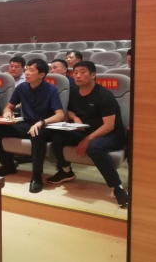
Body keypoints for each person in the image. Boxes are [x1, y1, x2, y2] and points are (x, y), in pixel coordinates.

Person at [48, 61, 128, 207]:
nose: (78, 76)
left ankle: (117, 187)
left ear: (93, 75)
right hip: (86, 130)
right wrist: (75, 118)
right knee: (58, 137)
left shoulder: (104, 95)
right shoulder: (74, 91)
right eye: (75, 73)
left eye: (83, 72)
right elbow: (70, 111)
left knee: (94, 148)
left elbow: (109, 126)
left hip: (111, 134)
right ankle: (66, 171)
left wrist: (86, 140)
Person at [0, 59, 65, 193]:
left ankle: (37, 176)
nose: (27, 73)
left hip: (45, 126)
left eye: (31, 70)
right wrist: (7, 113)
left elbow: (60, 115)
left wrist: (42, 122)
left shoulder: (51, 90)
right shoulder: (22, 87)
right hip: (27, 124)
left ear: (41, 75)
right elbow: (9, 107)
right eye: (27, 70)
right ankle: (8, 165)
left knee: (37, 134)